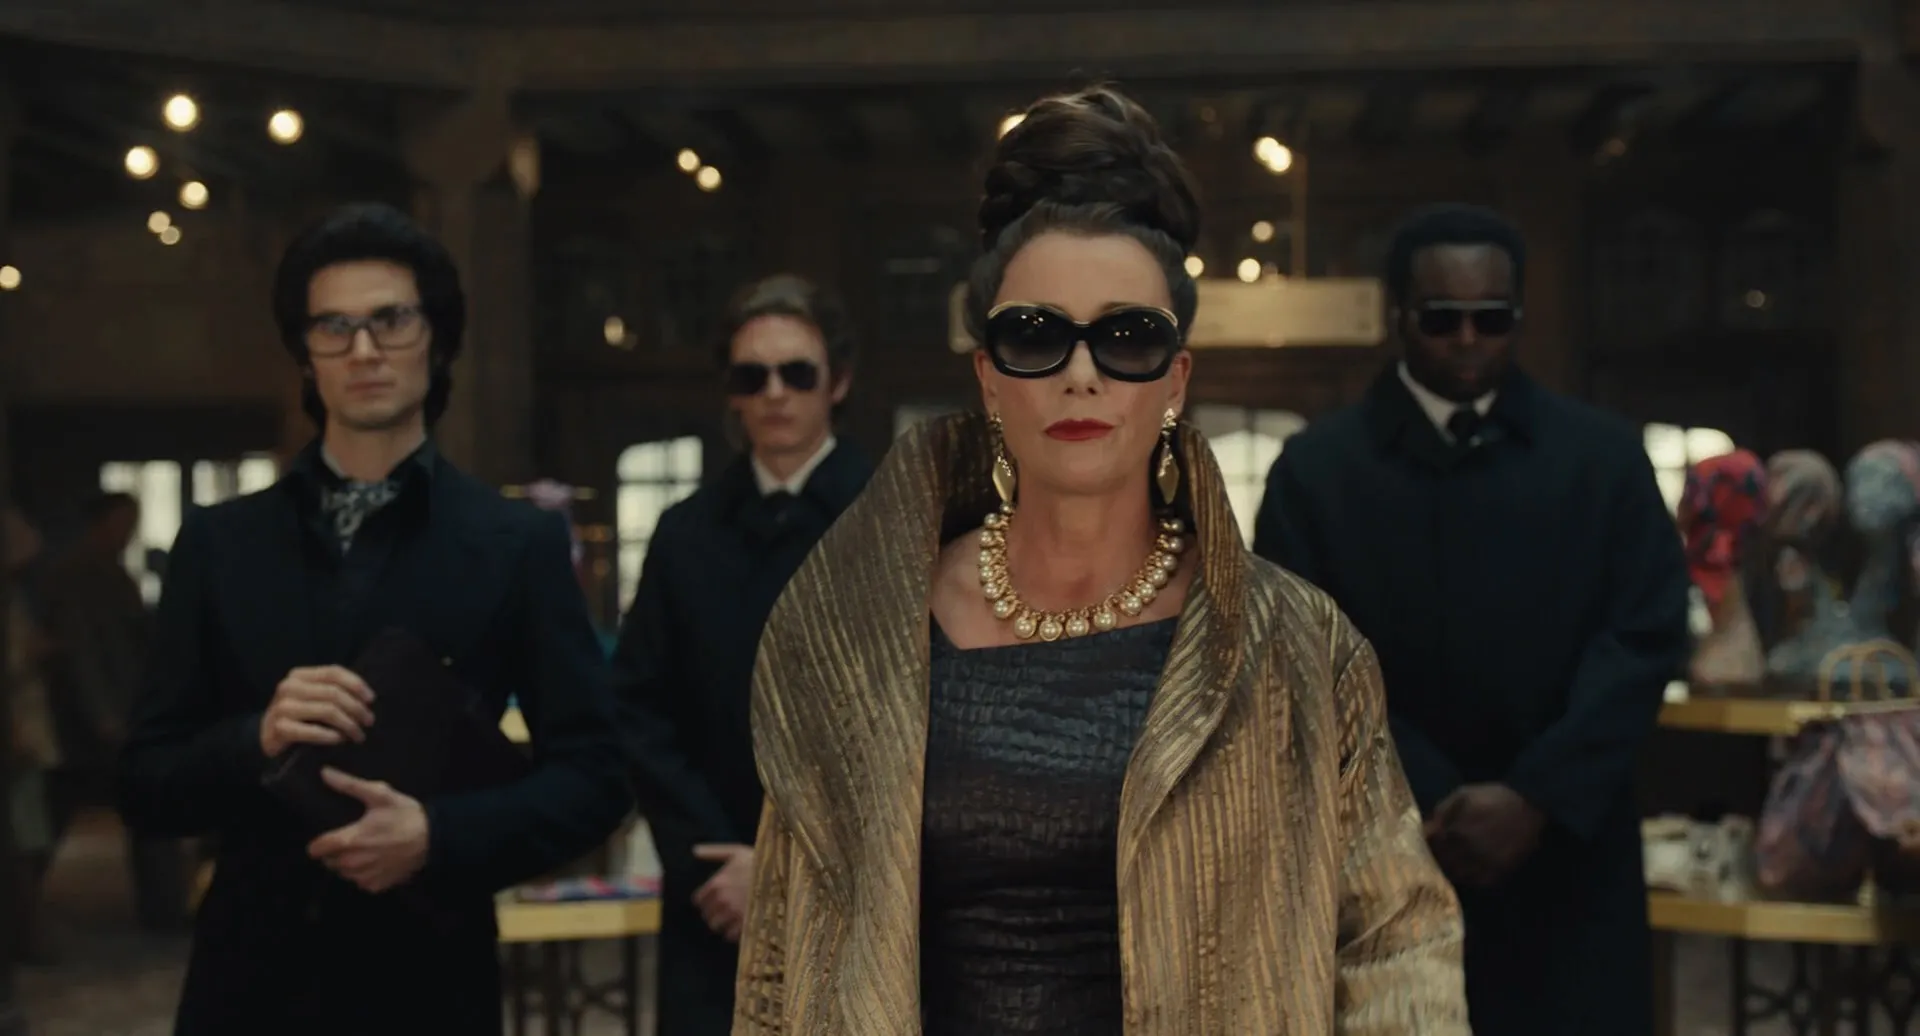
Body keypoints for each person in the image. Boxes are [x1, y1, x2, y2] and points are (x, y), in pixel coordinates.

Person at [732, 86, 1468, 1035]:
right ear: (988, 376)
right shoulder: (857, 638)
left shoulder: (1296, 648)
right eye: (1035, 336)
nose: (1081, 374)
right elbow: (780, 961)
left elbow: (1395, 942)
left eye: (1128, 338)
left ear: (1176, 378)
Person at [117, 203, 632, 1036]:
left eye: (391, 320)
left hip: (429, 979)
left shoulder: (514, 544)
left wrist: (439, 834)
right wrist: (255, 738)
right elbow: (143, 783)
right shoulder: (219, 543)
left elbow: (598, 775)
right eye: (333, 327)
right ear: (305, 354)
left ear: (437, 340)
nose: (363, 350)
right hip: (249, 982)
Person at [1252, 203, 1691, 1036]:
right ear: (1399, 316)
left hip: (1569, 853)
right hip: (1385, 853)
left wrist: (1534, 796)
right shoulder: (1316, 472)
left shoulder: (1601, 459)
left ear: (1517, 317)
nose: (1466, 339)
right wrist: (1432, 798)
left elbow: (1645, 637)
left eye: (1490, 319)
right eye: (1441, 318)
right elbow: (1297, 657)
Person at [611, 274, 871, 1036]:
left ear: (838, 381)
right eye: (752, 376)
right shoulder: (684, 533)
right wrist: (714, 862)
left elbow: (914, 713)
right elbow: (638, 709)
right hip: (713, 890)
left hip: (859, 891)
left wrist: (788, 868)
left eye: (797, 373)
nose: (775, 394)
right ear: (730, 392)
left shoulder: (896, 520)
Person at [39, 492, 188, 932]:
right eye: (123, 521)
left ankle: (164, 910)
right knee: (54, 813)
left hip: (121, 707)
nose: (128, 531)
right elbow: (82, 650)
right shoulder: (77, 573)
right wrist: (103, 712)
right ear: (100, 523)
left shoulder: (112, 571)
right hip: (96, 715)